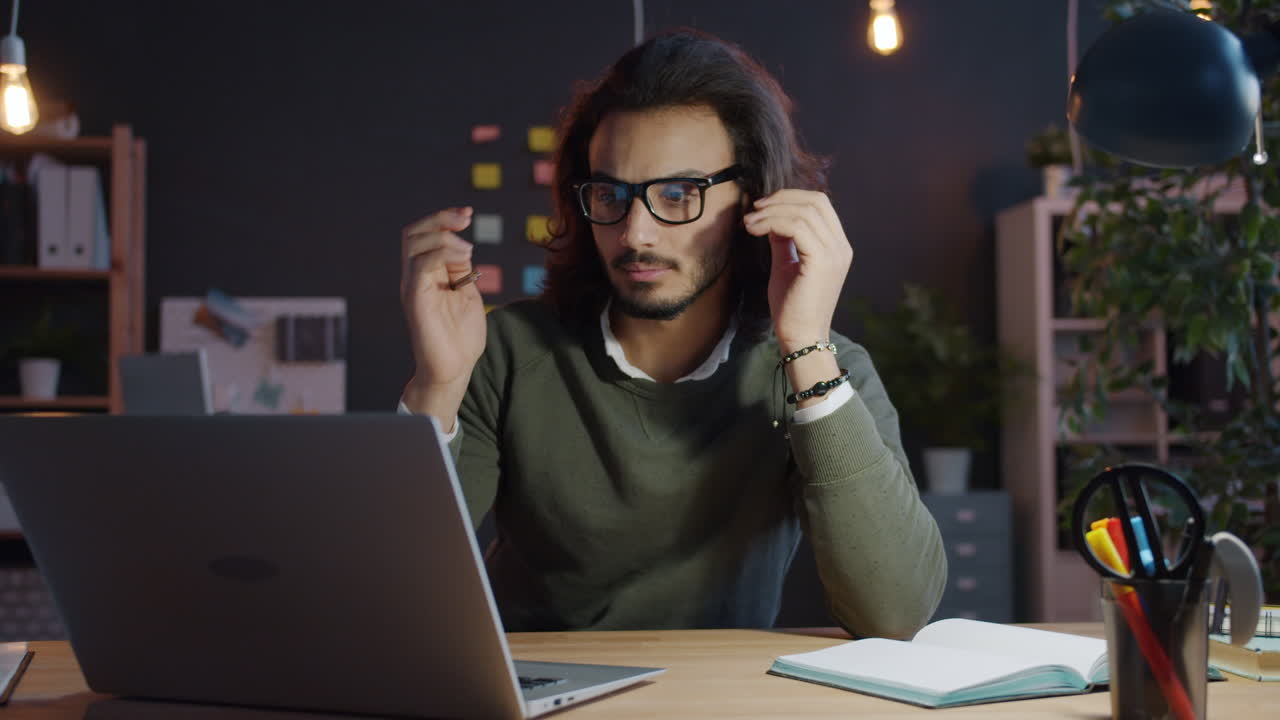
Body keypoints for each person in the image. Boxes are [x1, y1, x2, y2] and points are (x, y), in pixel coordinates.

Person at [399, 29, 946, 638]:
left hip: (717, 696)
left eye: (680, 193)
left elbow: (894, 614)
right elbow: (388, 591)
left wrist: (807, 347)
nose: (635, 234)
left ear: (754, 200)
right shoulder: (506, 350)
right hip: (535, 692)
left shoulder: (823, 366)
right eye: (610, 193)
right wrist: (437, 386)